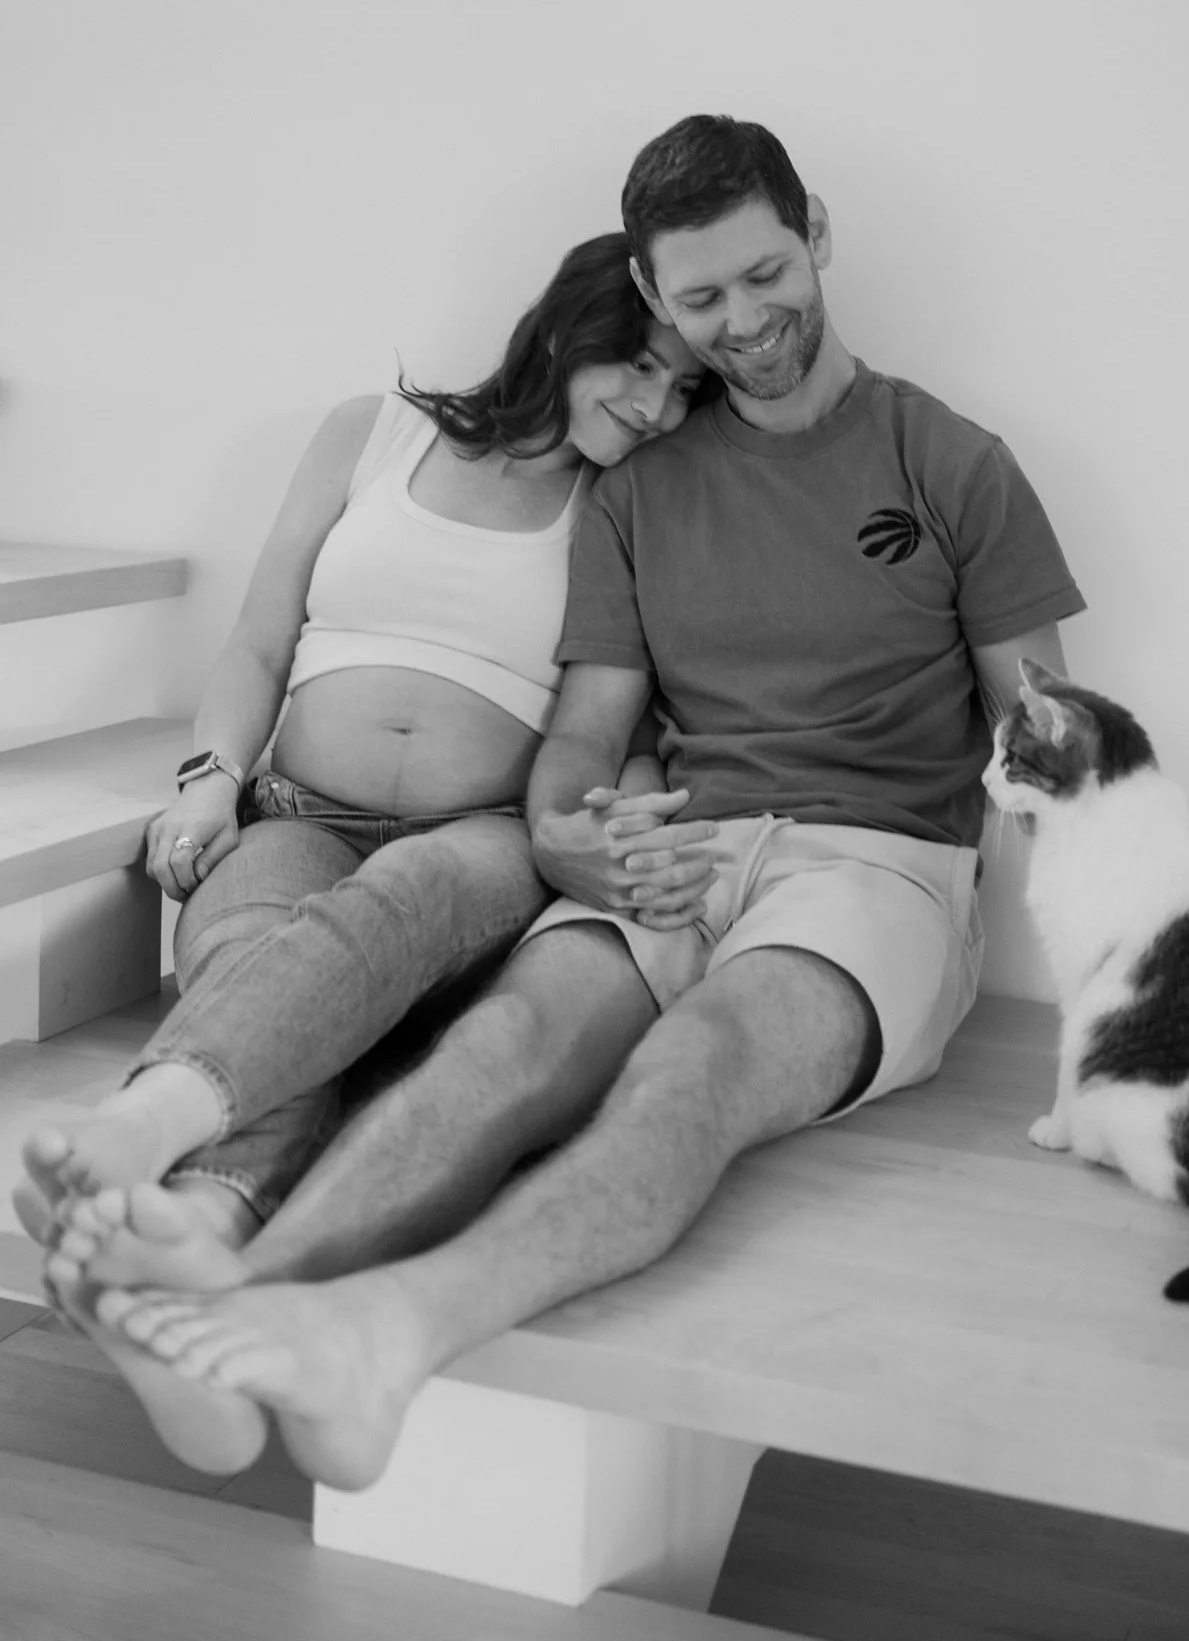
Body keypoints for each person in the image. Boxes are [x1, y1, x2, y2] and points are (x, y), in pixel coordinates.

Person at [46, 116, 1087, 1492]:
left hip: (872, 869)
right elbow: (588, 728)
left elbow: (1053, 742)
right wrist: (570, 836)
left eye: (766, 274)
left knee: (691, 1066)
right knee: (507, 1042)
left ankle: (381, 1330)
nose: (744, 321)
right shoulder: (636, 489)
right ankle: (227, 1311)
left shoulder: (949, 461)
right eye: (701, 298)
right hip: (678, 851)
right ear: (652, 297)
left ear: (814, 234)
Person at [15, 232, 708, 1274]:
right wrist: (211, 785)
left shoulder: (623, 505)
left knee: (403, 894)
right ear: (571, 328)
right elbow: (256, 641)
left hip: (480, 836)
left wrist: (622, 820)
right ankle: (205, 1219)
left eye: (682, 386)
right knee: (246, 950)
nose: (657, 407)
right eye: (642, 365)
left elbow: (615, 712)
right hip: (295, 809)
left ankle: (142, 1125)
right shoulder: (371, 434)